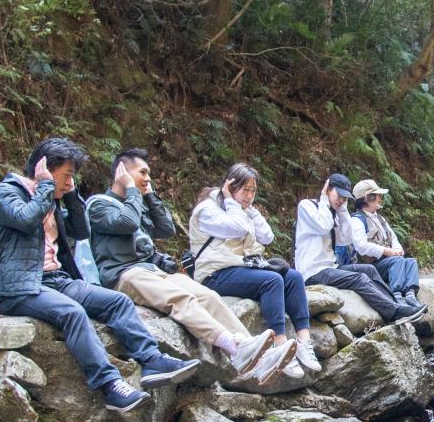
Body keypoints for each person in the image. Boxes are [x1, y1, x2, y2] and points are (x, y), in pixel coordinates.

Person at [0, 137, 197, 413]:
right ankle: (110, 385)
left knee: (117, 302)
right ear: (44, 169)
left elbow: (81, 231)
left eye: (71, 178)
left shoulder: (51, 198)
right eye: (66, 176)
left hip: (53, 280)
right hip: (15, 286)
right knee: (72, 312)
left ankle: (151, 361)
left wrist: (70, 195)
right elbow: (25, 219)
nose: (68, 182)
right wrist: (45, 187)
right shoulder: (6, 192)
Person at [87, 148, 299, 389]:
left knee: (207, 296)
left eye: (149, 173)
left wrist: (149, 195)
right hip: (122, 274)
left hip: (151, 270)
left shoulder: (137, 203)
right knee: (179, 298)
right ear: (121, 172)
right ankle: (233, 347)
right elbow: (127, 223)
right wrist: (134, 191)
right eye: (142, 172)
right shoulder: (98, 204)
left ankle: (257, 355)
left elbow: (166, 229)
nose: (148, 177)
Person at [189, 163, 322, 373]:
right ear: (230, 186)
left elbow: (267, 236)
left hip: (238, 267)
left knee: (294, 277)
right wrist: (233, 203)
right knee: (272, 280)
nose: (250, 195)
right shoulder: (207, 209)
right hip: (214, 273)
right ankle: (280, 347)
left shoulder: (242, 210)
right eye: (245, 190)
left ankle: (304, 344)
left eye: (253, 191)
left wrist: (248, 208)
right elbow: (237, 228)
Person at [295, 174, 424, 324]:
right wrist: (324, 200)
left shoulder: (333, 214)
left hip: (331, 267)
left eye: (345, 198)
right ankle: (394, 312)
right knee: (359, 278)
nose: (341, 200)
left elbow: (346, 239)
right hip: (312, 272)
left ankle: (396, 304)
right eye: (339, 195)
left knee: (368, 269)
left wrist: (342, 211)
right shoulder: (307, 206)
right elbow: (323, 226)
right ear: (328, 189)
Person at [349, 178, 422, 307]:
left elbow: (393, 238)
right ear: (368, 198)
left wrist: (397, 250)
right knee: (397, 260)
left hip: (388, 263)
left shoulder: (380, 218)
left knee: (410, 261)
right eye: (378, 195)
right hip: (371, 266)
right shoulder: (357, 220)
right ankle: (397, 296)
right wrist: (387, 251)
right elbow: (361, 246)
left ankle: (411, 294)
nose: (381, 198)